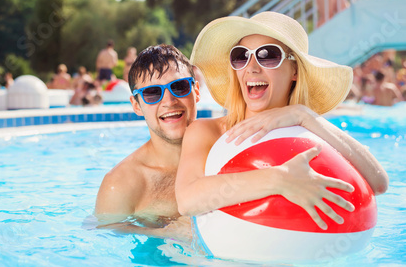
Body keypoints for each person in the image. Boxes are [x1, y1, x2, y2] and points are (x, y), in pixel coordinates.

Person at [176, 12, 388, 230]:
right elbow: (187, 200)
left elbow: (379, 182)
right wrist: (278, 180)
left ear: (294, 70)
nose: (252, 67)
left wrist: (304, 115)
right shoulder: (208, 131)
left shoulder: (310, 136)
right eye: (241, 56)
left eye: (267, 55)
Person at [95, 44, 200, 239]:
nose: (169, 101)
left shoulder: (226, 148)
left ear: (197, 91)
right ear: (136, 105)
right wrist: (167, 233)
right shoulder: (122, 184)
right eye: (152, 93)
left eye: (179, 86)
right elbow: (105, 230)